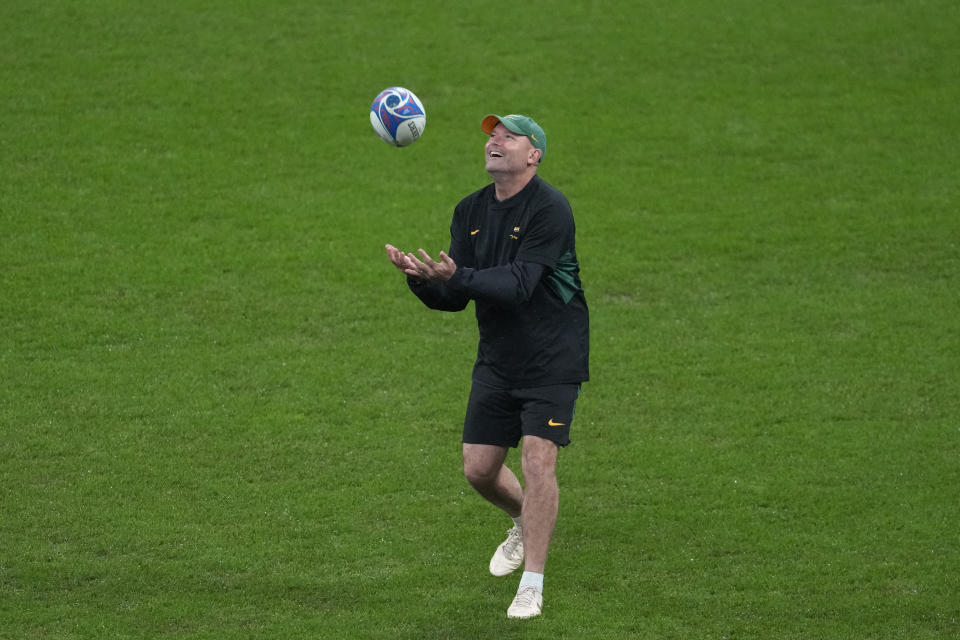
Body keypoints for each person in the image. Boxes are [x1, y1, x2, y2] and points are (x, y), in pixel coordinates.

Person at [385, 113, 589, 619]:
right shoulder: (469, 210)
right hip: (498, 360)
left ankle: (532, 585)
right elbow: (456, 298)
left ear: (533, 154)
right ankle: (523, 519)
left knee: (538, 463)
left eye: (508, 136)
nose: (495, 141)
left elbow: (519, 286)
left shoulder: (550, 209)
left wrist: (461, 275)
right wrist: (423, 279)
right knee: (478, 471)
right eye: (492, 135)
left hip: (552, 359)